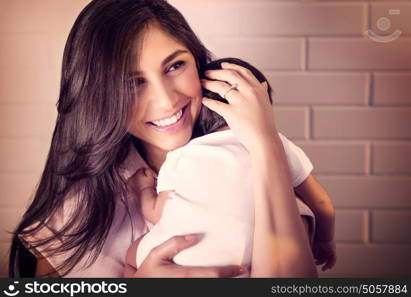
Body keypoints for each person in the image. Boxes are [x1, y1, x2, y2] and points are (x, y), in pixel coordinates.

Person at [8, 0, 317, 278]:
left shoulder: (245, 166)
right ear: (99, 99)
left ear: (198, 63)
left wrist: (265, 145)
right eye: (132, 83)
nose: (166, 101)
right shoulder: (78, 212)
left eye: (175, 66)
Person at [124, 58, 336, 277]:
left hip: (183, 255)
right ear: (263, 104)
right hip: (247, 260)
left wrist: (144, 190)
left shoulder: (182, 155)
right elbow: (321, 202)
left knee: (131, 259)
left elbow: (158, 213)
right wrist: (325, 240)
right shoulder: (280, 143)